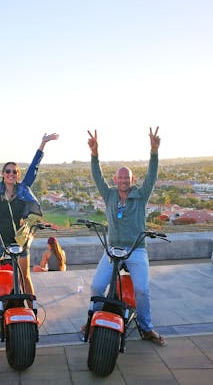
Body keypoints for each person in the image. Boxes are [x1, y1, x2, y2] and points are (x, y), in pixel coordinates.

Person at [85, 127, 166, 346]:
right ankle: (94, 320)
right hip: (112, 249)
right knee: (96, 287)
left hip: (136, 249)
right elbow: (96, 176)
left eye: (126, 177)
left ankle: (146, 327)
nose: (123, 180)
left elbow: (152, 175)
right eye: (120, 177)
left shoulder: (140, 195)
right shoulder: (109, 194)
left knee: (142, 289)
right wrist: (95, 154)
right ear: (115, 179)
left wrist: (154, 151)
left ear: (132, 179)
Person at [0, 125, 59, 328]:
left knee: (25, 277)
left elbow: (34, 169)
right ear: (3, 174)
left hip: (19, 239)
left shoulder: (23, 190)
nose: (11, 174)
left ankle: (31, 312)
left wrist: (43, 143)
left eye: (15, 172)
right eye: (8, 171)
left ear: (18, 175)